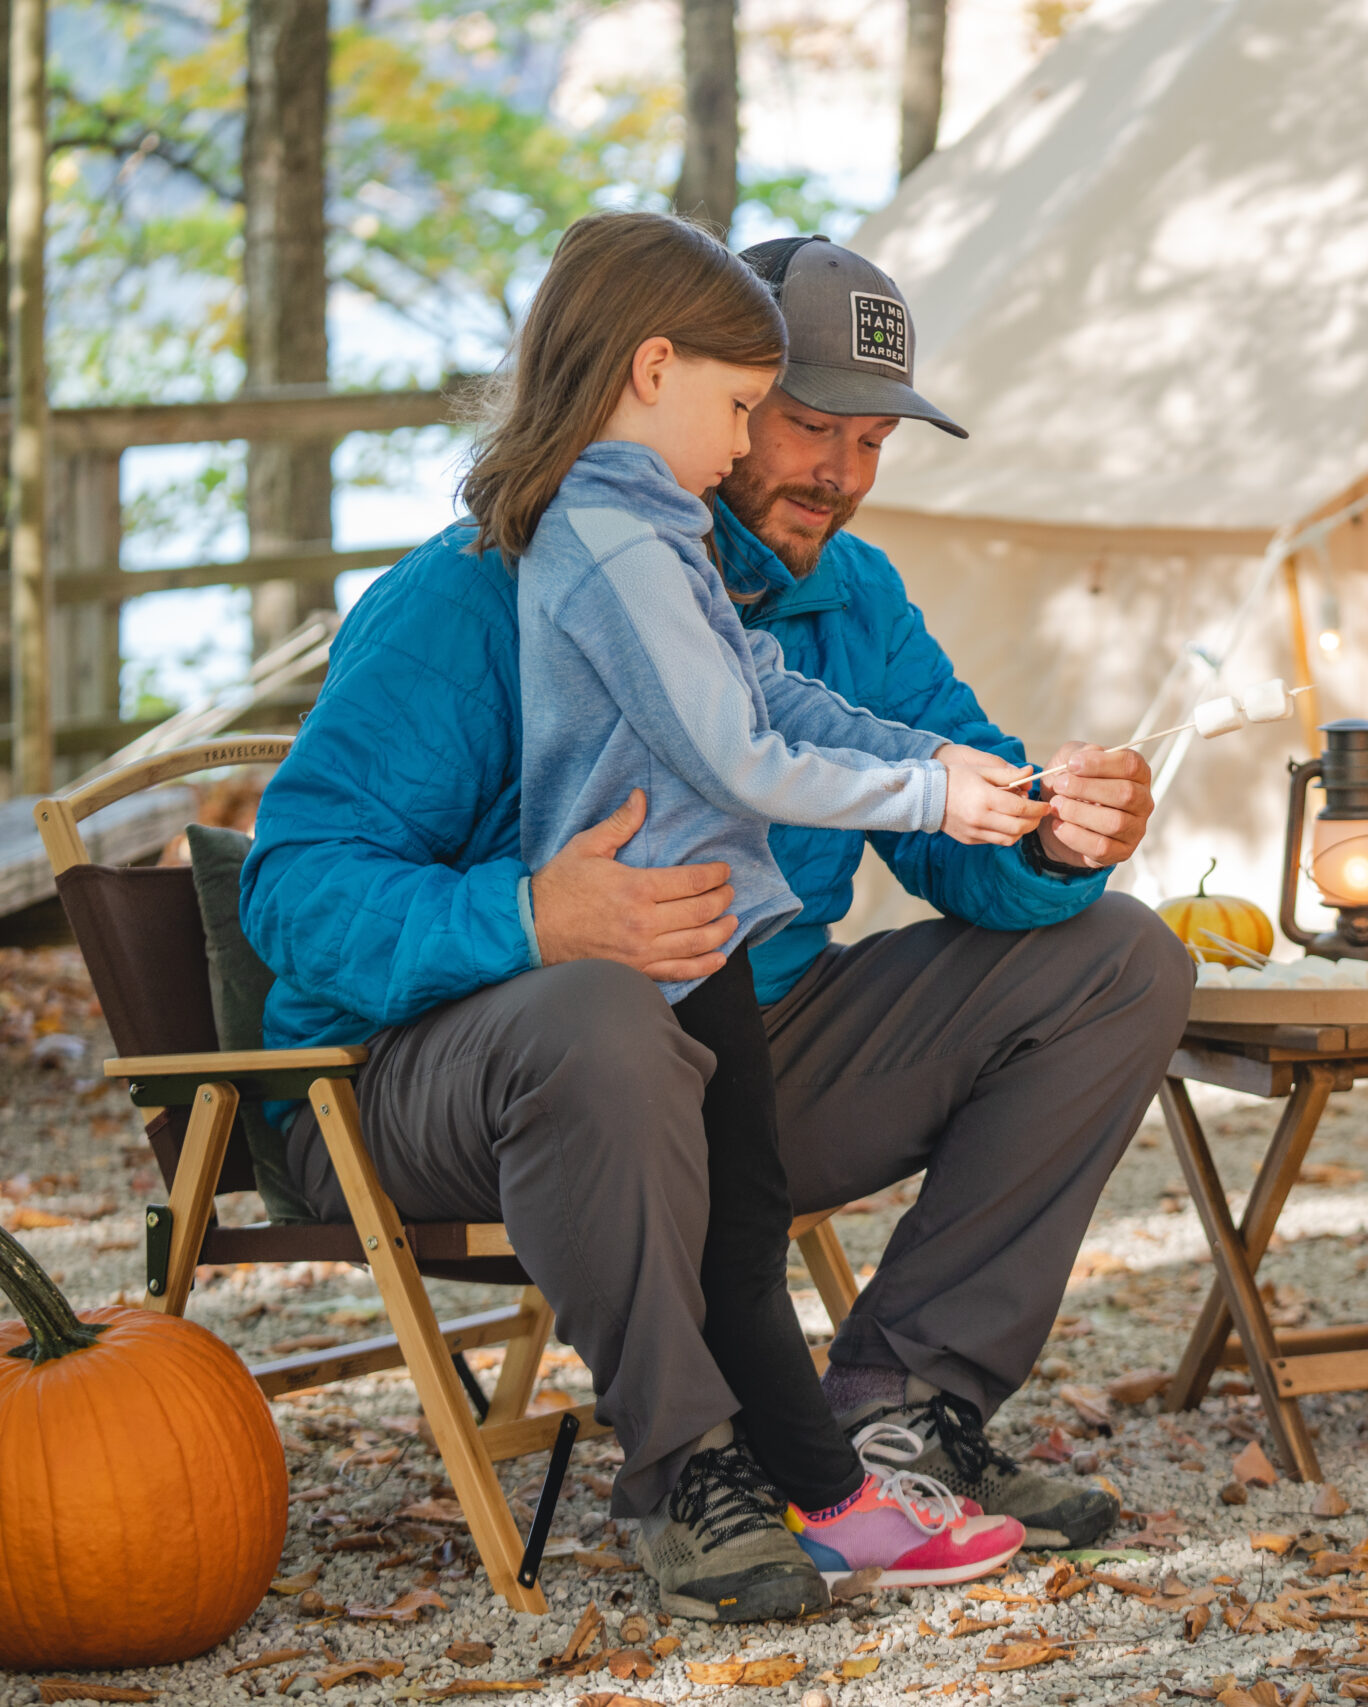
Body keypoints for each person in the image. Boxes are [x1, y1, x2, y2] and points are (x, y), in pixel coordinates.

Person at [239, 234, 1191, 1623]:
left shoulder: (848, 598)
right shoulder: (471, 593)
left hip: (744, 1050)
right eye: (802, 424)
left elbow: (953, 825)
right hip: (425, 1088)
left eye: (875, 442)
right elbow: (295, 889)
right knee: (603, 1004)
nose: (841, 476)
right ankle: (687, 1470)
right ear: (685, 389)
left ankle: (896, 1420)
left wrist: (1051, 827)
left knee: (1119, 960)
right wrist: (530, 917)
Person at [483, 209, 1042, 1606]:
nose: (755, 452)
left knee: (744, 1226)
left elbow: (771, 694)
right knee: (730, 1233)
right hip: (640, 952)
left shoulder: (657, 523)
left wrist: (955, 769)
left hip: (707, 925)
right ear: (654, 369)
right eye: (758, 412)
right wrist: (922, 797)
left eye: (875, 443)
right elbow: (735, 752)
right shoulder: (609, 537)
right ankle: (773, 1488)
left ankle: (835, 1496)